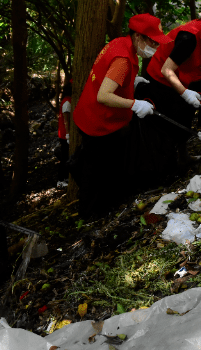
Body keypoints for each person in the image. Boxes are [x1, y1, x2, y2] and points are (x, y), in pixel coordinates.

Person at [72, 13, 172, 217]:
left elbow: (107, 77)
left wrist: (129, 83)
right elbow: (104, 95)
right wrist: (134, 104)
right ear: (138, 37)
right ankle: (90, 216)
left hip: (92, 114)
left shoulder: (120, 43)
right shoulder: (123, 60)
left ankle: (105, 206)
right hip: (98, 121)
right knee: (95, 172)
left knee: (104, 165)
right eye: (152, 42)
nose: (155, 47)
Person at [140, 9, 201, 158]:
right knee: (175, 118)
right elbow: (167, 70)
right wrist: (185, 93)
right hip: (161, 79)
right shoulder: (188, 38)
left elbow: (198, 57)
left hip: (182, 74)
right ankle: (175, 159)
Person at [54, 79, 72, 188]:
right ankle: (60, 180)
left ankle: (64, 178)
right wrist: (68, 135)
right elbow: (66, 120)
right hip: (65, 135)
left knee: (66, 157)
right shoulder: (67, 102)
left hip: (64, 134)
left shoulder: (67, 100)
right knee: (65, 158)